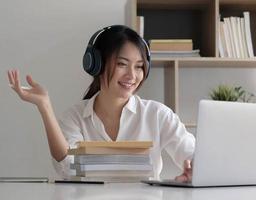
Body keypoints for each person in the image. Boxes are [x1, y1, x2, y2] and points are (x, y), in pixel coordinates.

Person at [7, 25, 195, 182]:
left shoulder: (158, 114)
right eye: (122, 64)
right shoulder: (75, 118)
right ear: (96, 63)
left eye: (139, 66)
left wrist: (194, 168)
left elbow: (190, 152)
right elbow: (67, 168)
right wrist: (45, 106)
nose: (132, 75)